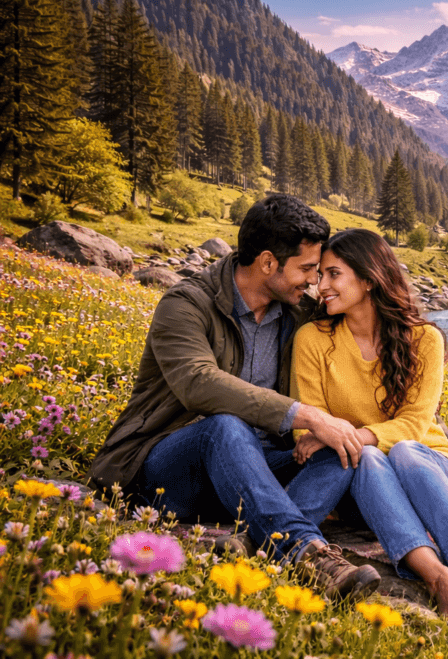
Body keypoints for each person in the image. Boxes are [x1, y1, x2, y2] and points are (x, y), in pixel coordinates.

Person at [87, 194, 380, 601]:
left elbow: (372, 362)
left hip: (254, 475)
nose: (315, 281)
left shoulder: (299, 315)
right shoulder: (187, 304)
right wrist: (307, 415)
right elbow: (198, 382)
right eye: (307, 269)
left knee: (343, 447)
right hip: (169, 469)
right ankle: (306, 553)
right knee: (225, 427)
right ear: (267, 263)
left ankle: (256, 541)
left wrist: (442, 440)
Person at [291, 228, 448, 625]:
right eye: (320, 275)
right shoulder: (312, 340)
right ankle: (439, 580)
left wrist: (354, 434)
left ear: (368, 278)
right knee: (371, 457)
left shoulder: (424, 339)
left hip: (431, 465)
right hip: (365, 481)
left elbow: (415, 426)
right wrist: (350, 440)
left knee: (403, 450)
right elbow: (307, 432)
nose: (320, 285)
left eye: (333, 274)